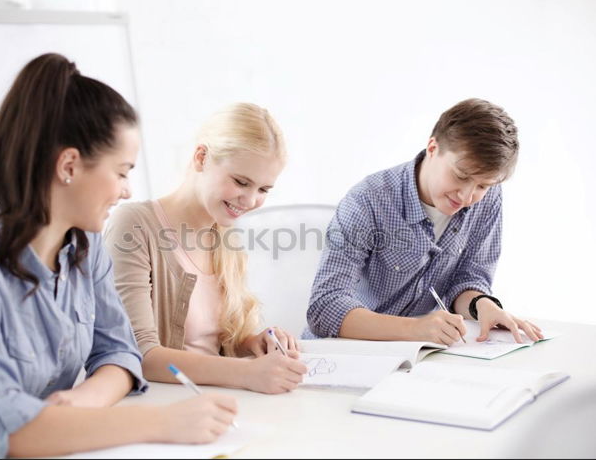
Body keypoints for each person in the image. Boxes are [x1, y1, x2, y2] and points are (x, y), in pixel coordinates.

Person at [0, 53, 236, 458]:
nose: (127, 190)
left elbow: (119, 353)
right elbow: (3, 429)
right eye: (122, 171)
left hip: (53, 446)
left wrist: (78, 405)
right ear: (69, 165)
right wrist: (163, 423)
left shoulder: (85, 251)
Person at [304, 98, 544, 346]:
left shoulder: (488, 199)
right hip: (344, 354)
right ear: (432, 148)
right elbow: (325, 307)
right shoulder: (367, 200)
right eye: (460, 175)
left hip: (420, 356)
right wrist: (416, 329)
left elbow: (467, 278)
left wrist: (481, 304)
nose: (466, 196)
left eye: (482, 185)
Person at [104, 103, 307, 394]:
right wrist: (247, 372)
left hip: (215, 403)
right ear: (201, 157)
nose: (249, 201)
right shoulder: (134, 225)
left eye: (263, 190)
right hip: (162, 407)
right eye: (241, 181)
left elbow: (210, 344)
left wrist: (250, 344)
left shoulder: (225, 235)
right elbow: (141, 355)